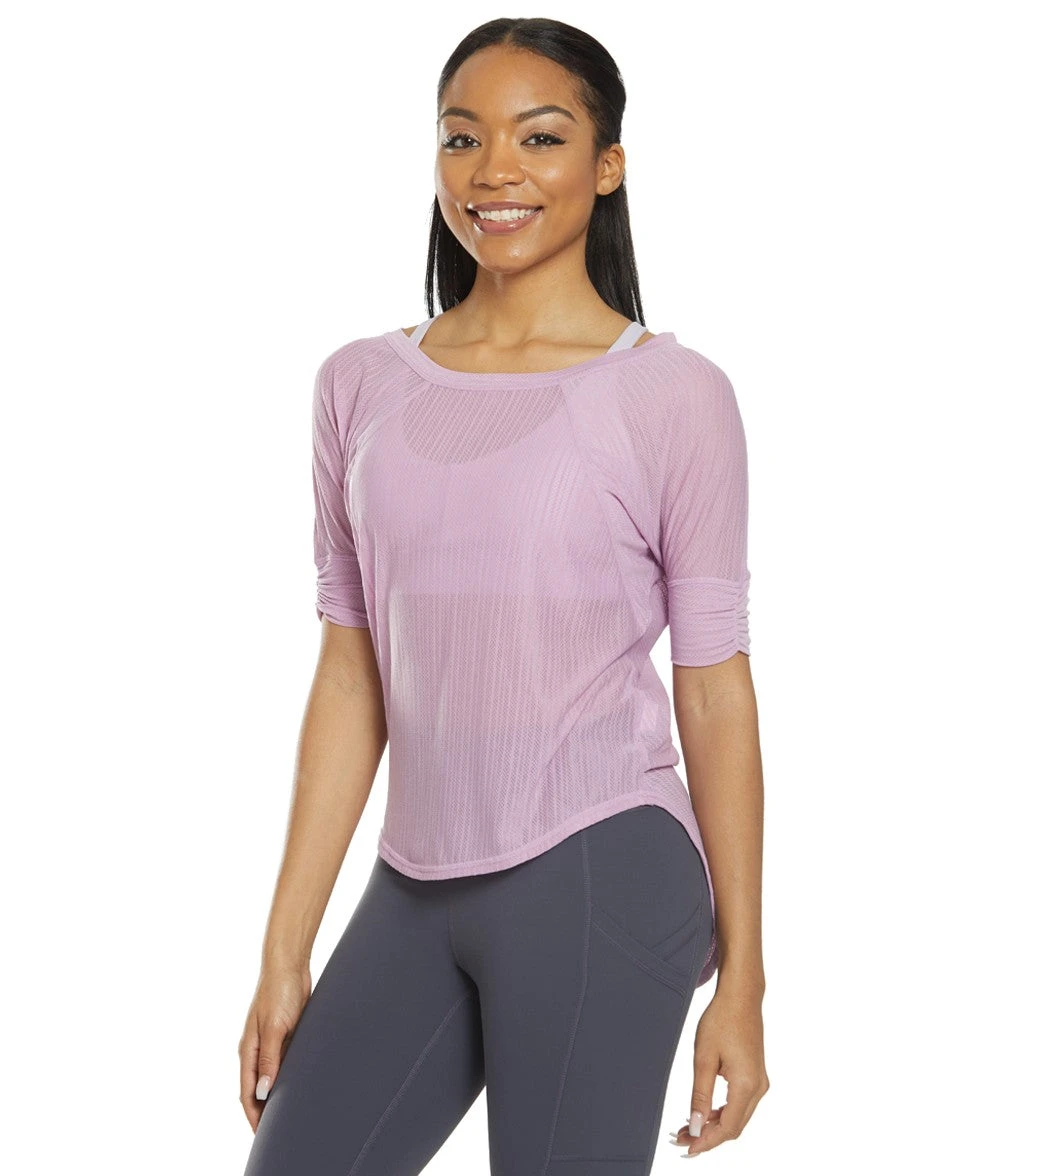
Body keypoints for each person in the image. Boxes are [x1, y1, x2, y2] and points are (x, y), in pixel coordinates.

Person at [238, 16, 768, 1175]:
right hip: (414, 882)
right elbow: (353, 675)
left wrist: (746, 979)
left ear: (607, 165)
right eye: (462, 138)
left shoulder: (673, 396)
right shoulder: (359, 385)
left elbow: (714, 689)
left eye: (540, 137)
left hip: (598, 862)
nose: (494, 172)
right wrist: (286, 947)